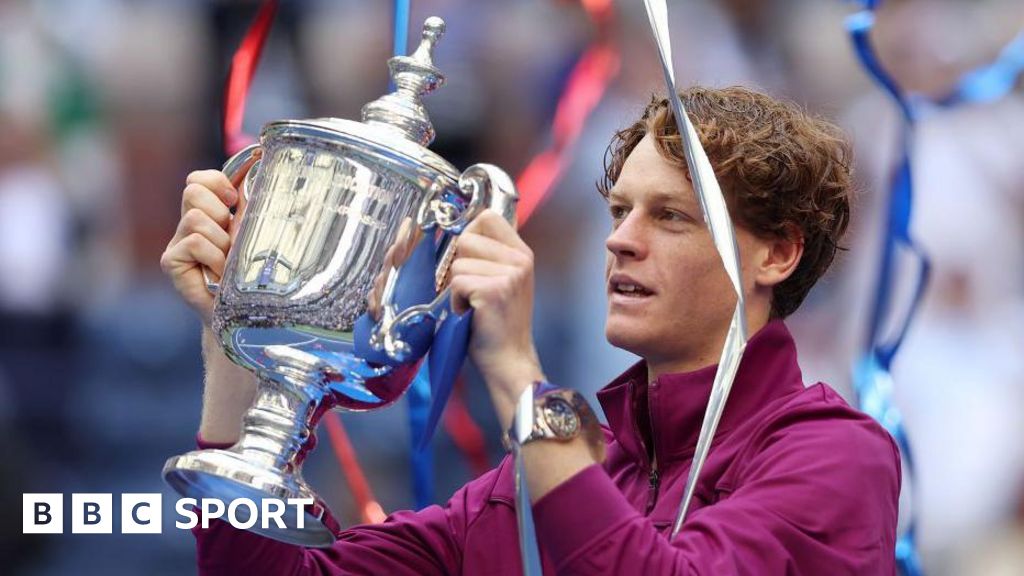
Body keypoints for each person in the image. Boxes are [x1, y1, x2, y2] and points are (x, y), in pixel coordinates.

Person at [161, 85, 900, 575]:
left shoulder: (836, 457)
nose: (621, 241)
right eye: (619, 212)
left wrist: (516, 371)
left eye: (670, 215)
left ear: (778, 252)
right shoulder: (539, 477)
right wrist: (235, 337)